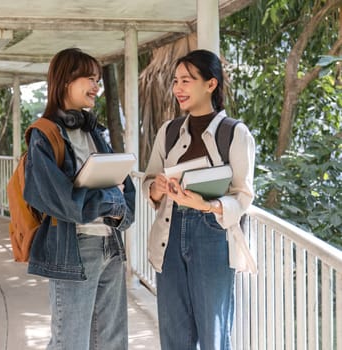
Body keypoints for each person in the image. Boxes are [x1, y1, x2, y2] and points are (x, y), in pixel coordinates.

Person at [142, 49, 256, 349]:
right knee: (174, 334)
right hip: (169, 232)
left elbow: (243, 197)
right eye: (176, 81)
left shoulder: (235, 133)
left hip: (213, 235)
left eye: (187, 80)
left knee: (213, 334)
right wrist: (159, 187)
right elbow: (149, 183)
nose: (178, 88)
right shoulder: (168, 132)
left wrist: (207, 205)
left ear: (210, 84)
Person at [23, 48, 136, 350]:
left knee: (112, 342)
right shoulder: (43, 135)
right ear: (64, 82)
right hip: (74, 248)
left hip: (110, 245)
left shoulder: (94, 132)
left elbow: (127, 192)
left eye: (97, 79)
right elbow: (60, 200)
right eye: (89, 78)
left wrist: (113, 201)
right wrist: (112, 198)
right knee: (70, 342)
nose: (96, 86)